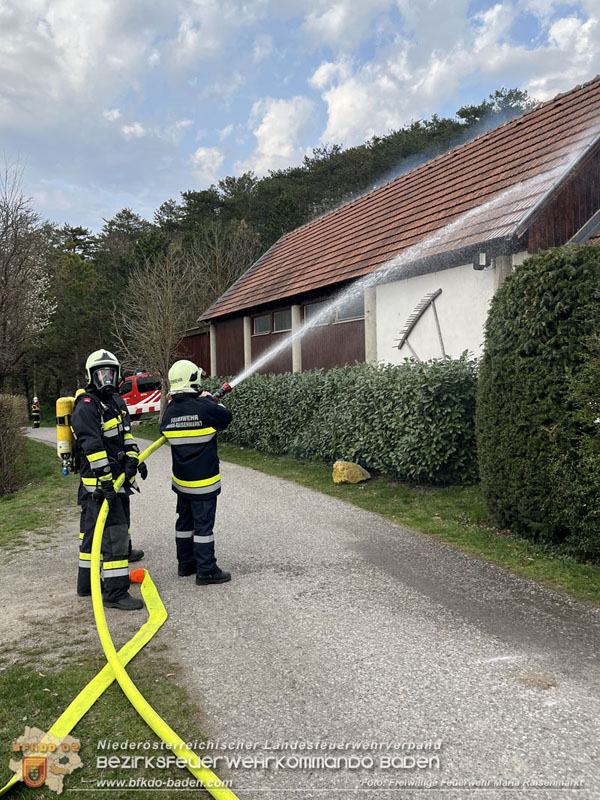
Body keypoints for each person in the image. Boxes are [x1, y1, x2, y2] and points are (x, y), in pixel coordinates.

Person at [71, 349, 148, 610]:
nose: (106, 378)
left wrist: (134, 459)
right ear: (91, 376)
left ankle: (87, 584)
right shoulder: (86, 405)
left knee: (93, 534)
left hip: (115, 479)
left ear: (117, 375)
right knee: (114, 535)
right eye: (101, 374)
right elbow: (92, 446)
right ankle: (116, 593)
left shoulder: (116, 401)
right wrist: (106, 481)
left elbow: (126, 435)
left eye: (110, 373)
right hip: (101, 485)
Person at [160, 359, 232, 585]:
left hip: (182, 483)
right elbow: (225, 416)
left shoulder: (169, 412)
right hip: (204, 483)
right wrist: (209, 400)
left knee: (184, 523)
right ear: (194, 380)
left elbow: (165, 429)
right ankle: (206, 570)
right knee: (203, 527)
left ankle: (185, 564)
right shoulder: (204, 407)